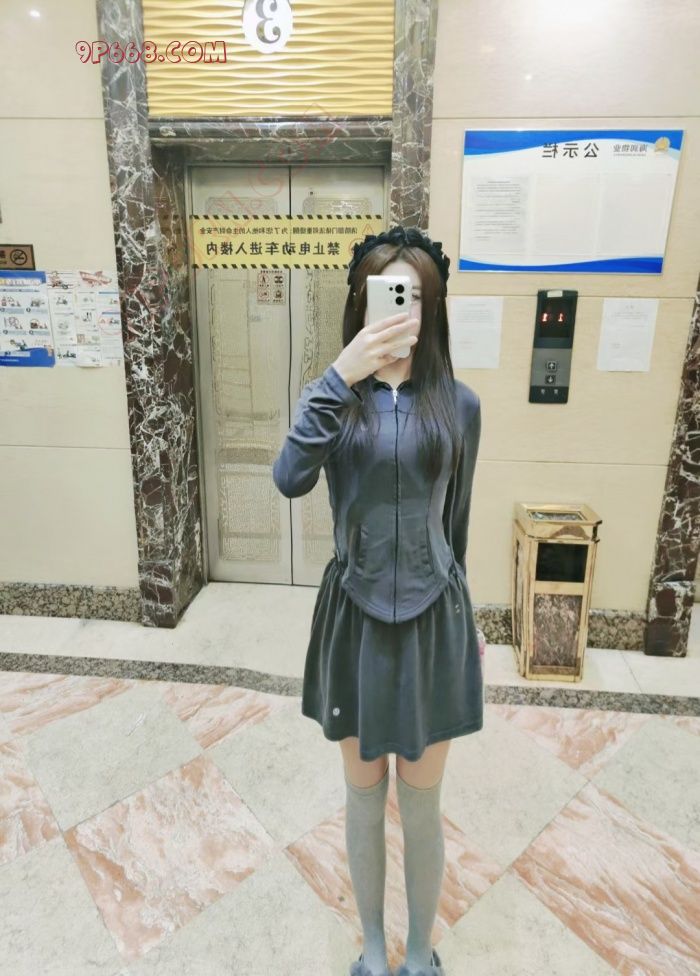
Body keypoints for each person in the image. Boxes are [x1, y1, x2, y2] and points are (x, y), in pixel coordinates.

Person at [272, 225, 482, 976]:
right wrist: (340, 374)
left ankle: (419, 953)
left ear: (434, 309)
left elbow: (457, 521)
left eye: (415, 296)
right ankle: (369, 945)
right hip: (355, 618)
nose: (401, 309)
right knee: (363, 798)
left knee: (421, 804)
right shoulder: (335, 401)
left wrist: (467, 620)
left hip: (433, 623)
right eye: (388, 294)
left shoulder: (459, 404)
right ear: (361, 304)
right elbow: (289, 477)